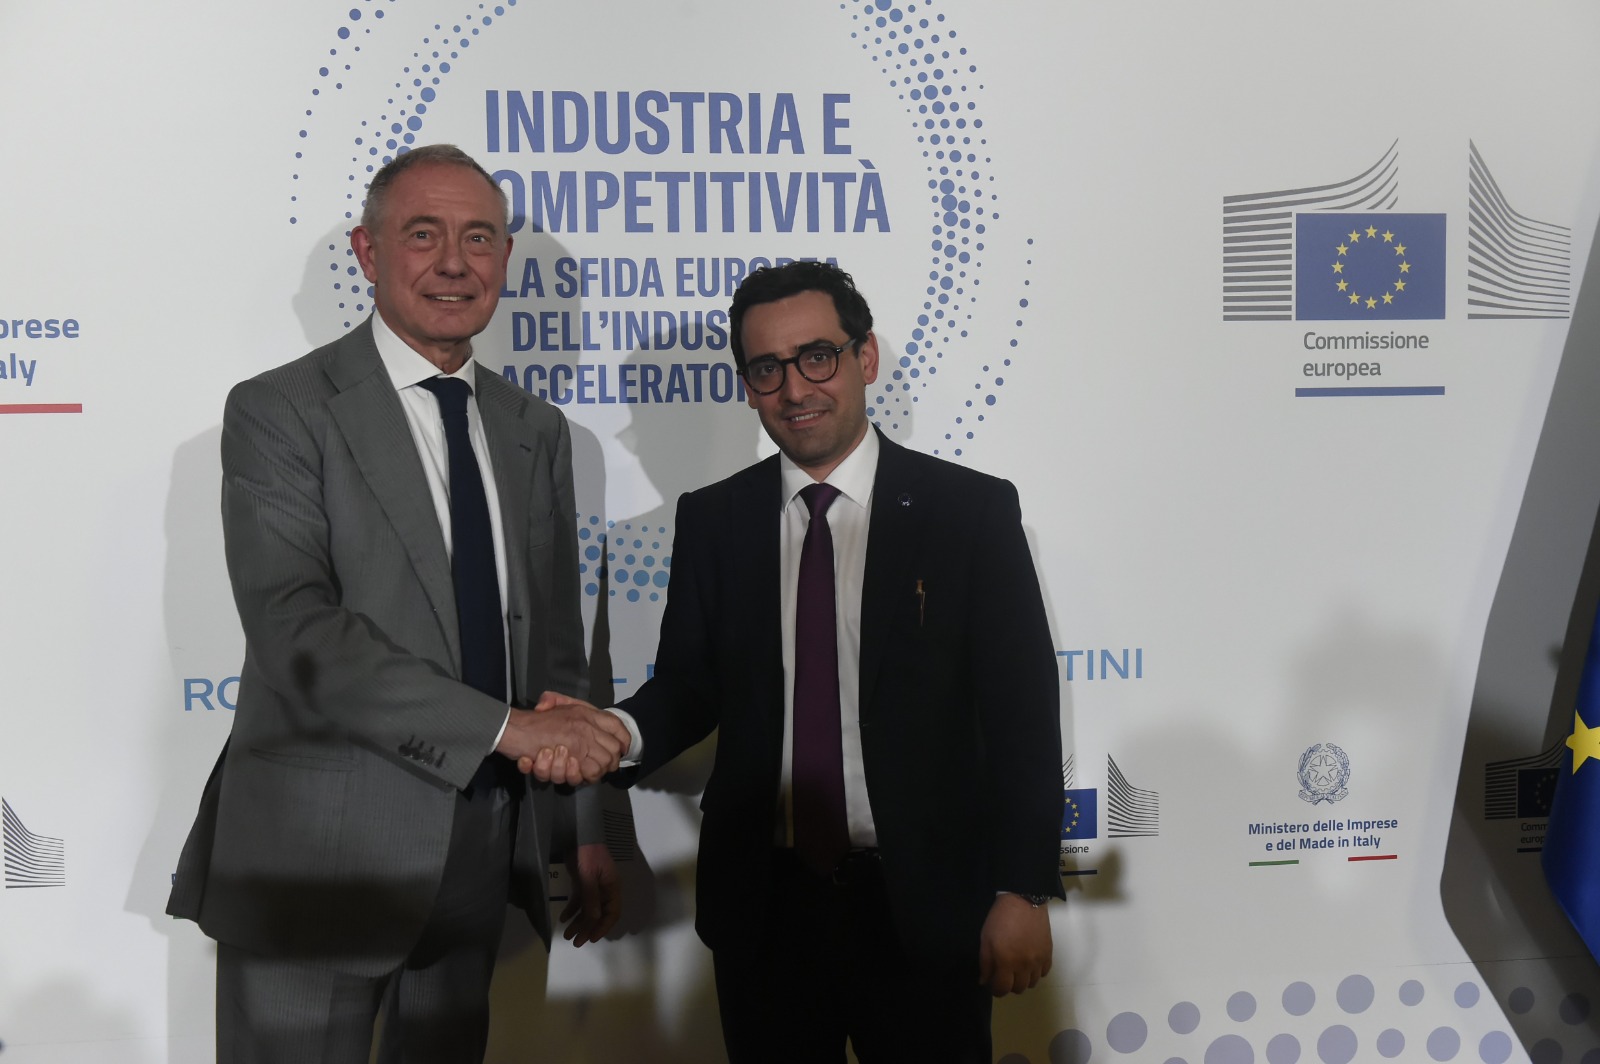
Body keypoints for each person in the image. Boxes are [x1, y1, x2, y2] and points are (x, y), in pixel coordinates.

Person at [167, 144, 633, 1063]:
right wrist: (508, 730)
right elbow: (297, 632)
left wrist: (583, 828)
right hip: (315, 862)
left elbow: (556, 655)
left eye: (479, 238)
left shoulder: (537, 430)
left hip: (482, 856)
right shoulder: (280, 410)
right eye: (424, 235)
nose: (455, 263)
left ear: (505, 259)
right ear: (367, 252)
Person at [539, 261, 1064, 1061]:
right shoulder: (715, 519)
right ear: (748, 387)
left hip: (925, 907)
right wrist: (612, 732)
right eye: (767, 368)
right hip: (766, 911)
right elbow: (690, 686)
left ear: (865, 358)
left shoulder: (969, 511)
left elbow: (1022, 712)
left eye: (817, 356)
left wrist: (1022, 886)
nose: (795, 388)